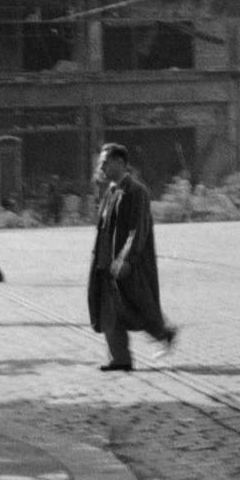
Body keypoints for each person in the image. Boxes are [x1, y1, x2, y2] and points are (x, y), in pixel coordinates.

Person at [88, 144, 175, 371]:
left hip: (127, 265)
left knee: (136, 306)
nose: (101, 166)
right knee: (109, 313)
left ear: (120, 162)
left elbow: (138, 230)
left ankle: (163, 333)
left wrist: (127, 259)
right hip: (106, 264)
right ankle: (120, 359)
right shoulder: (110, 191)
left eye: (105, 162)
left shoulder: (137, 191)